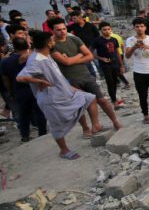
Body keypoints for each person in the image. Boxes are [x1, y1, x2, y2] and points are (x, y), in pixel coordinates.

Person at [17, 30, 101, 159]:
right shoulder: (36, 60)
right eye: (52, 40)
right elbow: (20, 77)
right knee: (57, 126)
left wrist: (71, 88)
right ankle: (64, 150)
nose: (54, 42)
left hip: (64, 91)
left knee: (90, 99)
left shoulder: (45, 55)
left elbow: (57, 76)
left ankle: (95, 126)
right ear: (48, 43)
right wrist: (39, 81)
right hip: (51, 97)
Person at [48, 17, 123, 132]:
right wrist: (80, 54)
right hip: (69, 79)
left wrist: (72, 59)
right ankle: (86, 129)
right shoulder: (52, 44)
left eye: (64, 29)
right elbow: (66, 62)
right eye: (58, 30)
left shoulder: (74, 39)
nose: (62, 31)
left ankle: (114, 122)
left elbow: (90, 56)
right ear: (52, 30)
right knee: (79, 106)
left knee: (102, 100)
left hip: (86, 75)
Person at [1, 37, 46, 142]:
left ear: (14, 47)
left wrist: (10, 91)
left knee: (24, 114)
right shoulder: (32, 57)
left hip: (19, 90)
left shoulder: (5, 61)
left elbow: (5, 79)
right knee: (39, 111)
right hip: (35, 87)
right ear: (27, 45)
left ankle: (25, 135)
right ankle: (42, 132)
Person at [92, 22, 125, 109]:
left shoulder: (114, 39)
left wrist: (121, 65)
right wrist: (100, 58)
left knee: (115, 81)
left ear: (111, 29)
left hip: (115, 63)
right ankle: (114, 101)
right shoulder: (97, 40)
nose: (107, 31)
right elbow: (90, 52)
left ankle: (114, 98)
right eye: (104, 29)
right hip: (105, 65)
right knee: (109, 82)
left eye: (108, 29)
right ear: (100, 30)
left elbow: (117, 52)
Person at [67, 9, 100, 78]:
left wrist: (95, 45)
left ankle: (102, 74)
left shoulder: (90, 25)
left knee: (97, 61)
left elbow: (97, 35)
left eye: (74, 18)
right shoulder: (73, 26)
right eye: (72, 19)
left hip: (93, 47)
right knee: (87, 63)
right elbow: (65, 31)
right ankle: (93, 76)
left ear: (80, 16)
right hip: (82, 48)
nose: (73, 20)